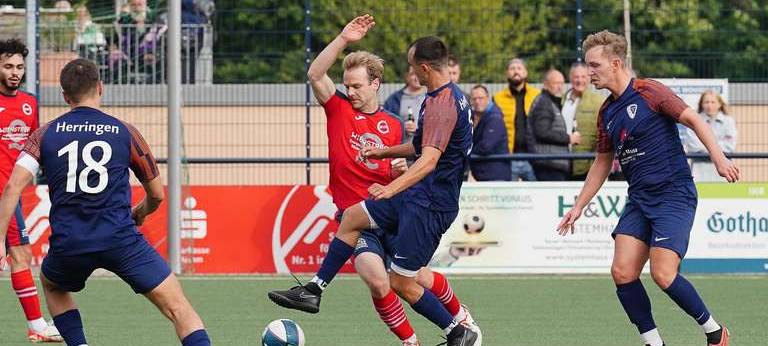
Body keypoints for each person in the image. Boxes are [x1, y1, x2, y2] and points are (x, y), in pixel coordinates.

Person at [269, 34, 478, 346]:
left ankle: (459, 330)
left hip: (428, 203)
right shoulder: (436, 99)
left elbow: (430, 160)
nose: (350, 91)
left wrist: (392, 187)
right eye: (348, 86)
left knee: (405, 281)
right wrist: (385, 153)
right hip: (412, 200)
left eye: (412, 66)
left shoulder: (439, 105)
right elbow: (420, 148)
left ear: (423, 68)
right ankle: (313, 291)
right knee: (356, 224)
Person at [0, 58, 211, 346]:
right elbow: (157, 194)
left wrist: (0, 239)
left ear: (64, 96)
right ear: (101, 88)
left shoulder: (44, 134)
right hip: (121, 240)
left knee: (52, 284)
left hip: (70, 244)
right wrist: (140, 212)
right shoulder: (125, 131)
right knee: (179, 309)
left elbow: (12, 187)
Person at [557, 30, 737, 346]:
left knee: (663, 274)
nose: (589, 72)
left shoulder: (650, 92)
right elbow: (602, 162)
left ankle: (714, 331)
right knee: (622, 272)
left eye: (594, 65)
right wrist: (579, 205)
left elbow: (694, 119)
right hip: (639, 199)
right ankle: (654, 343)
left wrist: (719, 158)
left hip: (673, 194)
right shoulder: (606, 112)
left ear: (615, 64)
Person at [0, 38, 63, 343]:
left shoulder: (30, 103)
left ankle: (36, 324)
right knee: (21, 255)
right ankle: (37, 324)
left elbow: (34, 147)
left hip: (14, 196)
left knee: (18, 255)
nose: (15, 72)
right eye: (8, 66)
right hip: (2, 196)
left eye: (19, 67)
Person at [526, 69, 579, 181]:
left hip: (552, 162)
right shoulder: (544, 103)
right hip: (549, 164)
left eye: (561, 83)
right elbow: (542, 132)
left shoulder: (550, 102)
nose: (560, 87)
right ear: (545, 84)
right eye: (556, 83)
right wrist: (569, 138)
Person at [493, 58, 540, 181]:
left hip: (533, 157)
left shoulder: (537, 95)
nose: (516, 71)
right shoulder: (498, 98)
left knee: (536, 195)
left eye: (519, 68)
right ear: (507, 73)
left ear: (526, 73)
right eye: (512, 68)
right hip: (508, 157)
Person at [681, 90, 737, 182]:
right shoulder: (694, 121)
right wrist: (717, 150)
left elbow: (730, 147)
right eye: (706, 102)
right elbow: (693, 147)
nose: (709, 105)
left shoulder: (729, 121)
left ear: (719, 104)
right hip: (699, 172)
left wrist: (706, 146)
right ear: (702, 104)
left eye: (713, 102)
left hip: (724, 173)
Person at [563, 62, 606, 181]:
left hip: (588, 165)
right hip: (563, 162)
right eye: (576, 77)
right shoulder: (562, 100)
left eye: (583, 77)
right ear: (570, 78)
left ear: (589, 78)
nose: (579, 80)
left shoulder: (599, 101)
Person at [469, 84, 510, 181]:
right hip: (486, 172)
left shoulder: (495, 118)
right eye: (474, 99)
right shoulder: (476, 116)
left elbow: (486, 146)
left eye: (481, 98)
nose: (477, 102)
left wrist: (467, 152)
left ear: (488, 98)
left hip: (495, 174)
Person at [384, 66, 427, 143]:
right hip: (401, 150)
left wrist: (419, 128)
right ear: (407, 76)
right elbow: (385, 125)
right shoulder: (394, 99)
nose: (416, 78)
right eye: (413, 74)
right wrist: (402, 127)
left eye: (419, 73)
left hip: (426, 150)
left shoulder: (432, 97)